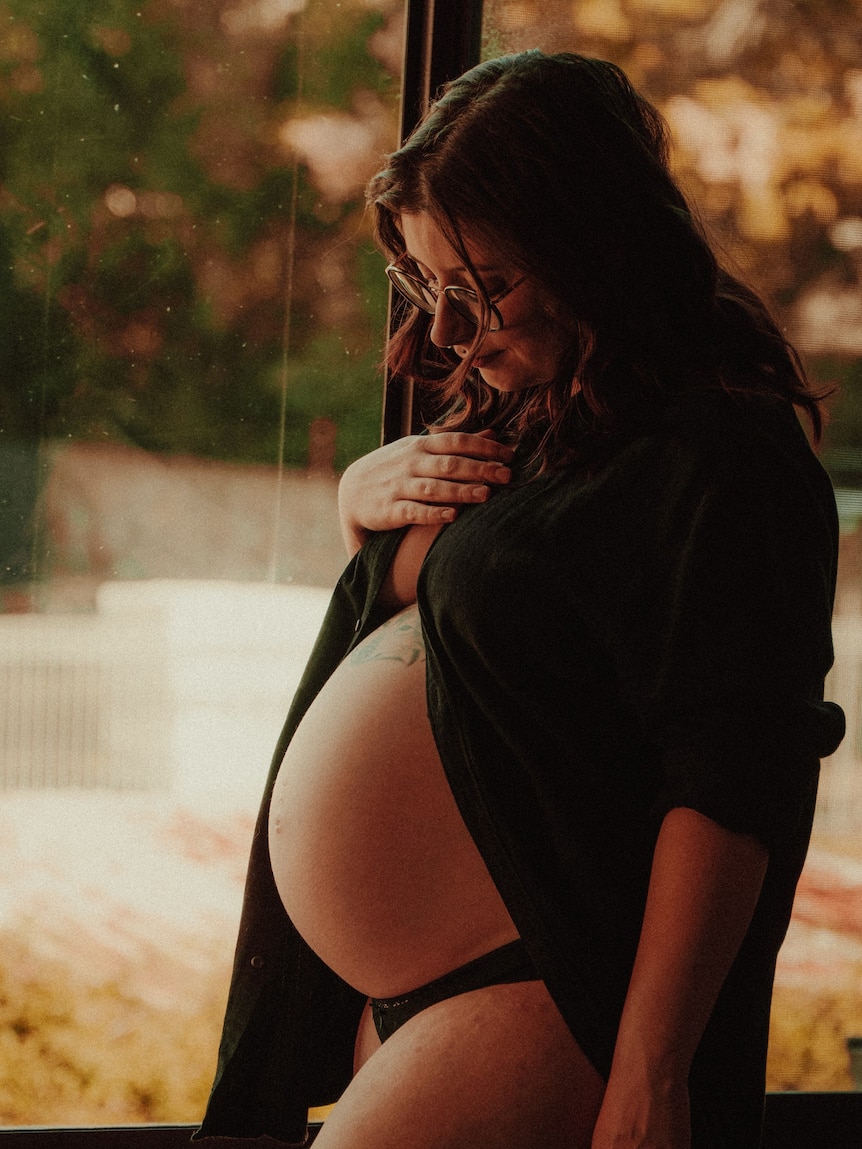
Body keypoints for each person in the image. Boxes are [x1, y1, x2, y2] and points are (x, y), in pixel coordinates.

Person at [195, 51, 845, 1149]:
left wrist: (652, 1078)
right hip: (415, 995)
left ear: (594, 247)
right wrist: (367, 518)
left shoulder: (721, 452)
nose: (447, 330)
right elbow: (497, 637)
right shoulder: (534, 419)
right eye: (421, 282)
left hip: (548, 988)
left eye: (483, 284)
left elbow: (733, 785)